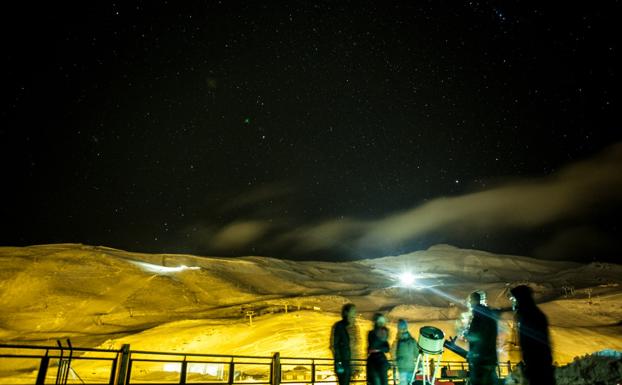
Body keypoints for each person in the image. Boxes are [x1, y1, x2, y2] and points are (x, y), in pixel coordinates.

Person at [509, 285, 555, 385]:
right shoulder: (531, 313)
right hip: (538, 363)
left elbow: (532, 343)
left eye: (515, 299)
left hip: (537, 364)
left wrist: (530, 363)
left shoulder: (529, 315)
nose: (514, 302)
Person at [464, 291, 498, 385]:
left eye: (471, 300)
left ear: (475, 300)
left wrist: (468, 335)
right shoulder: (487, 314)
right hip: (489, 358)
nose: (470, 303)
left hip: (481, 360)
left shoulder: (479, 316)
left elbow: (480, 336)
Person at [332, 303, 357, 385]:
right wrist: (339, 364)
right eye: (353, 311)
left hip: (347, 363)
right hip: (343, 363)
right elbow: (335, 345)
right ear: (346, 313)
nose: (355, 314)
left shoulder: (350, 326)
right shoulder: (339, 326)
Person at [393, 319, 418, 385]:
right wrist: (420, 366)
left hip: (402, 368)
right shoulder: (412, 340)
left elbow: (393, 352)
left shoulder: (398, 341)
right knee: (411, 383)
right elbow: (417, 354)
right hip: (411, 367)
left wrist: (395, 362)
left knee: (403, 383)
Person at [367, 313, 390, 385]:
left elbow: (387, 348)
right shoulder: (373, 333)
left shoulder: (383, 332)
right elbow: (371, 347)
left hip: (378, 362)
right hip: (376, 363)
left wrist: (377, 349)